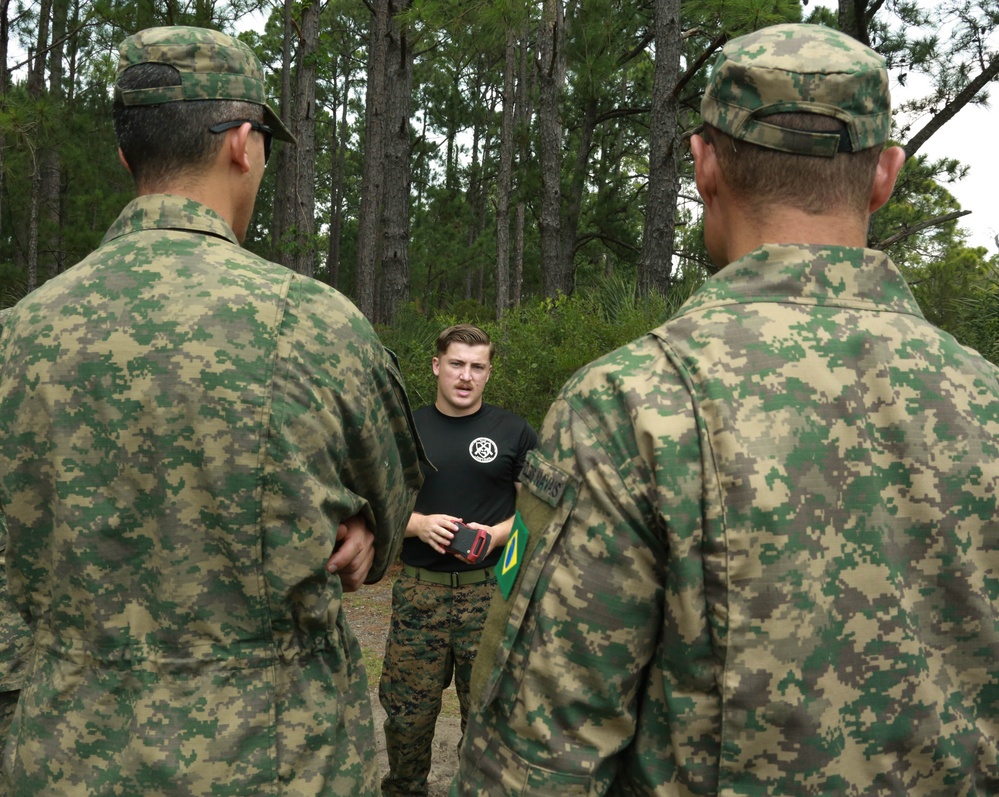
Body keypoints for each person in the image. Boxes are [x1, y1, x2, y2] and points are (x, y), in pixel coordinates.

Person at [451, 22, 999, 796]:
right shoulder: (986, 401)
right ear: (883, 175)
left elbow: (535, 756)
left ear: (704, 164)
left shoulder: (632, 404)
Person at [0, 26, 423, 796]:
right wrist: (360, 522)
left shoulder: (18, 335)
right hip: (276, 756)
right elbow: (389, 514)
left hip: (67, 757)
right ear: (241, 142)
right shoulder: (315, 325)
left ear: (129, 156)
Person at [380, 323, 537, 797]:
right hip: (418, 596)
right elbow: (372, 502)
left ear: (489, 372)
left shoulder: (513, 431)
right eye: (456, 364)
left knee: (488, 717)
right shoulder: (406, 429)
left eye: (477, 366)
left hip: (489, 594)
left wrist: (496, 536)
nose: (465, 376)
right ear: (436, 366)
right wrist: (417, 524)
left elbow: (538, 512)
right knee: (406, 718)